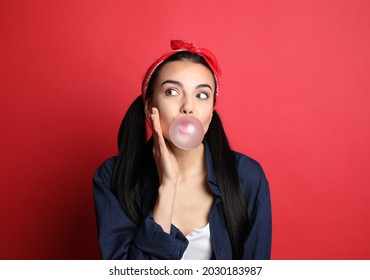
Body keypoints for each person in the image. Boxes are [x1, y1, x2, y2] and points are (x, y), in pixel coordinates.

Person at [93, 40, 272, 260]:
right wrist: (167, 187)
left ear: (212, 112)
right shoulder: (112, 177)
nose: (188, 106)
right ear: (150, 105)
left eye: (202, 95)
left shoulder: (247, 177)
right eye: (172, 91)